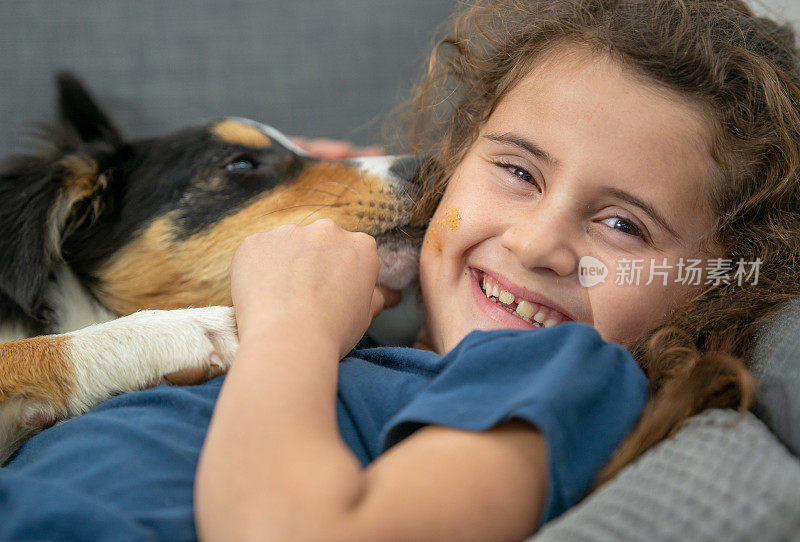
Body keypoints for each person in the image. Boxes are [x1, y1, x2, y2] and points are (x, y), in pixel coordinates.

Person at [1, 0, 799, 540]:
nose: (533, 242)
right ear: (448, 166)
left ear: (721, 282)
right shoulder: (374, 336)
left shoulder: (559, 369)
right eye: (518, 172)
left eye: (623, 224)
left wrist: (294, 326)